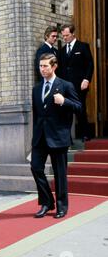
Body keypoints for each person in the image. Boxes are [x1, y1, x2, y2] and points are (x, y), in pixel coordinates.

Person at [31, 53, 81, 219]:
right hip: (40, 137)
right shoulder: (36, 89)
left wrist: (64, 101)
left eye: (45, 66)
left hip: (58, 137)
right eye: (40, 66)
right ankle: (46, 202)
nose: (42, 69)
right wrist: (34, 138)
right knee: (36, 168)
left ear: (54, 66)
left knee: (60, 174)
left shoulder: (65, 86)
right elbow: (36, 115)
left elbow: (78, 107)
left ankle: (61, 206)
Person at [57, 24, 94, 141]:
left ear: (73, 34)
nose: (65, 38)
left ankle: (85, 134)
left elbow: (90, 64)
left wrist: (87, 79)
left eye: (67, 35)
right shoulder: (61, 51)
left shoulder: (83, 47)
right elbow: (60, 70)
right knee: (66, 112)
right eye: (63, 36)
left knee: (80, 109)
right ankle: (67, 138)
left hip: (80, 85)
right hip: (65, 86)